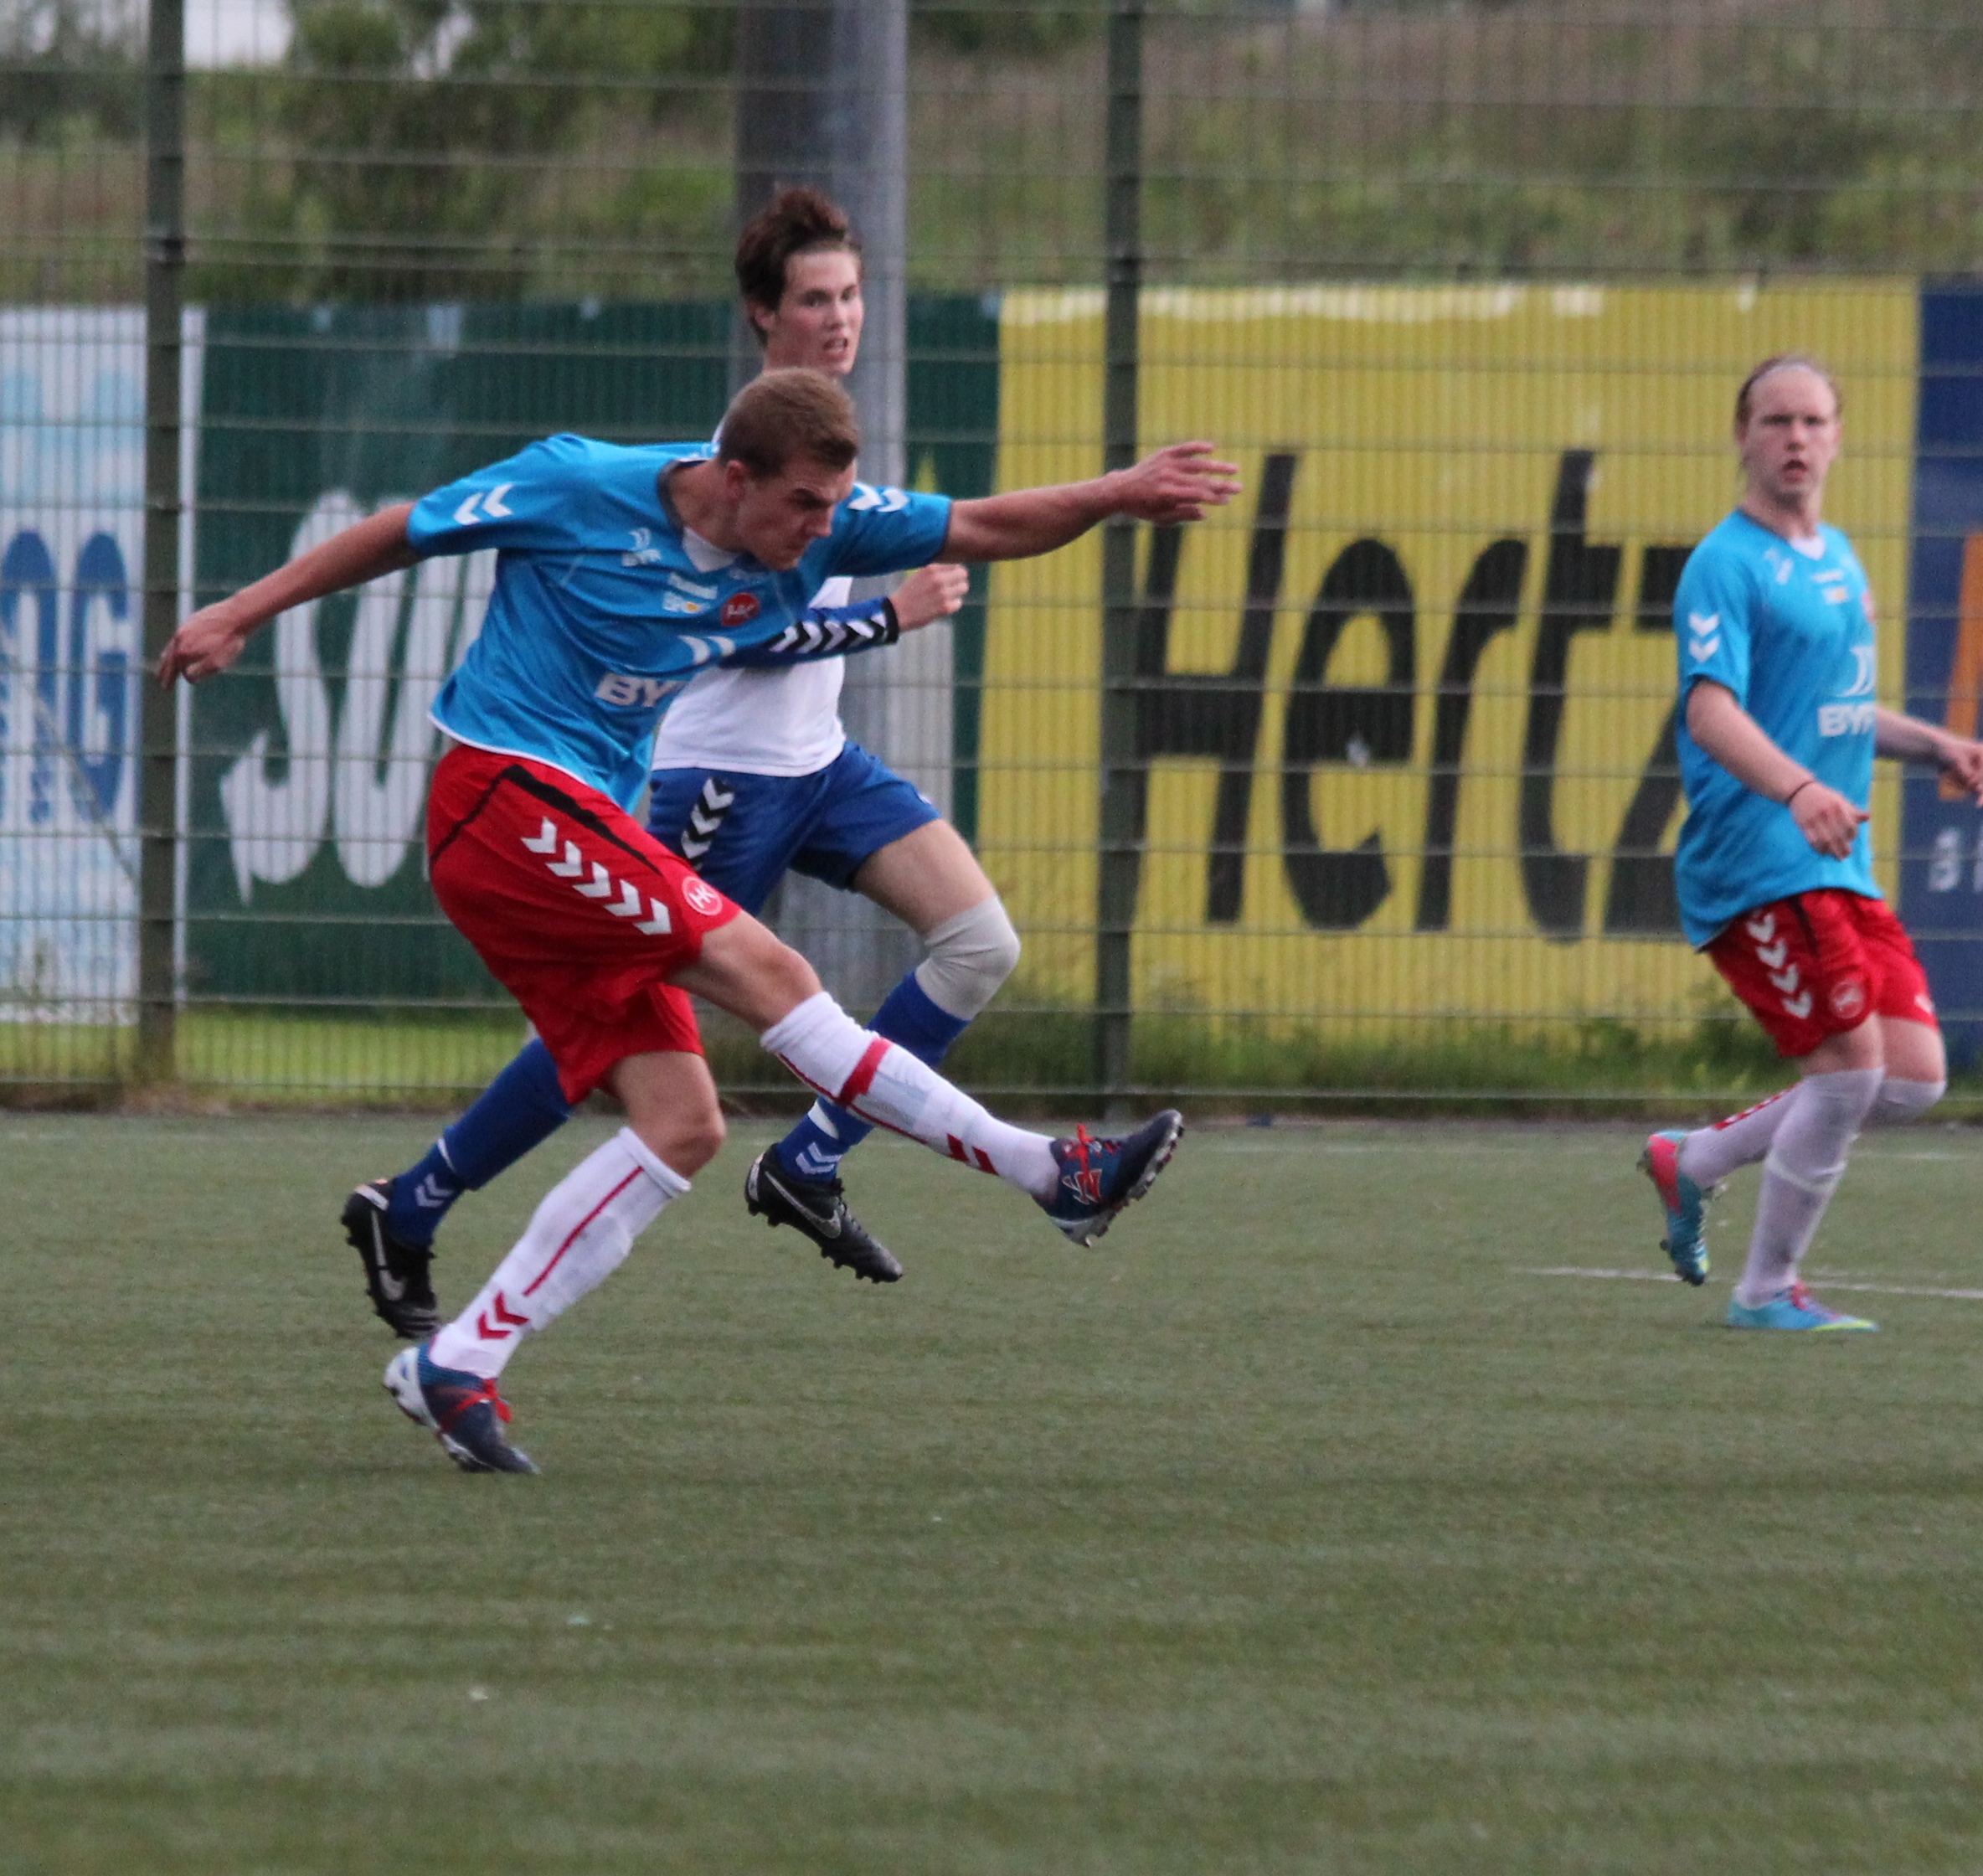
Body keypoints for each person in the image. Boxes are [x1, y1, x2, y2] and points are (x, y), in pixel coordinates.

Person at [162, 368, 1239, 1471]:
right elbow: (405, 529)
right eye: (802, 506)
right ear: (732, 478)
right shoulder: (578, 484)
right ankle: (1051, 1174)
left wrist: (1117, 492)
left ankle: (461, 1360)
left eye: (834, 507)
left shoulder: (825, 522)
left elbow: (985, 525)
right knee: (775, 977)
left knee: (683, 1123)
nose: (822, 531)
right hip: (504, 795)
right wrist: (242, 611)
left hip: (576, 823)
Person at [341, 188, 997, 1335]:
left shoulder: (835, 454)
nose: (840, 318)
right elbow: (735, 636)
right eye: (814, 299)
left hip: (820, 767)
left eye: (851, 295)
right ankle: (421, 1201)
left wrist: (1111, 498)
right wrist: (885, 621)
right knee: (620, 1020)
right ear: (763, 314)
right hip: (719, 779)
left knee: (980, 939)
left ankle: (814, 1157)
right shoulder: (731, 462)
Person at [1637, 356, 1983, 1329]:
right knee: (1847, 1073)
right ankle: (1766, 1290)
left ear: (1837, 437)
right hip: (1759, 860)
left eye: (1812, 420)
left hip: (1837, 862)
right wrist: (1796, 789)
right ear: (1742, 436)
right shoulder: (1725, 563)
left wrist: (1935, 746)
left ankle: (1696, 1160)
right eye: (1775, 420)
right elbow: (1711, 711)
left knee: (1912, 1077)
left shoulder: (1838, 557)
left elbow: (1836, 712)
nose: (1795, 438)